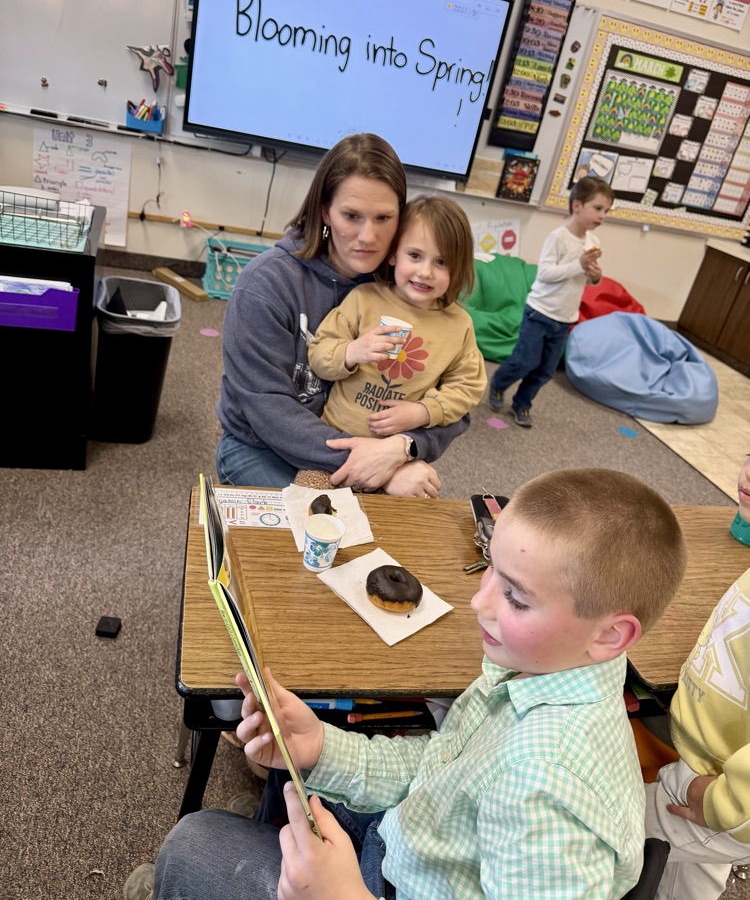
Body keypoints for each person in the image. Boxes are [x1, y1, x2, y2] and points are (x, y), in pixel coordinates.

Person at [141, 468, 686, 900]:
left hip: (395, 883)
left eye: (516, 597)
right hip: (414, 842)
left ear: (611, 635)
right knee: (295, 783)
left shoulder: (546, 787)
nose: (480, 601)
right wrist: (323, 747)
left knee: (194, 845)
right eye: (489, 568)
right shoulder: (537, 668)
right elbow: (441, 765)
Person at [215, 133, 468, 498]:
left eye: (384, 218)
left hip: (376, 451)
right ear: (324, 211)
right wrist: (379, 471)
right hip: (262, 448)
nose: (368, 236)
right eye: (352, 216)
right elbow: (268, 410)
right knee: (332, 539)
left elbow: (459, 401)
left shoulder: (406, 284)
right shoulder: (264, 285)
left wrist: (404, 449)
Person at [643, 453, 750, 900]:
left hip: (713, 788)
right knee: (695, 866)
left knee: (590, 821)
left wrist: (721, 805)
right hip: (713, 759)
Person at [307, 193, 486, 442]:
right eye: (414, 255)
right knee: (309, 482)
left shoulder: (459, 325)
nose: (425, 272)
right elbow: (318, 354)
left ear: (458, 269)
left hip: (393, 452)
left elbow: (468, 386)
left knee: (421, 482)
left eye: (441, 261)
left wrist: (424, 412)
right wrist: (351, 352)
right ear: (393, 254)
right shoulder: (364, 299)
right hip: (334, 437)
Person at [489, 175, 611, 428]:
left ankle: (522, 404)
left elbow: (586, 279)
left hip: (565, 318)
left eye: (606, 211)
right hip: (540, 313)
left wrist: (595, 277)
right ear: (577, 205)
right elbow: (544, 273)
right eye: (598, 208)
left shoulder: (593, 242)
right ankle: (499, 383)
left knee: (545, 371)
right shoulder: (558, 237)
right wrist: (578, 265)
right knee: (525, 361)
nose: (602, 216)